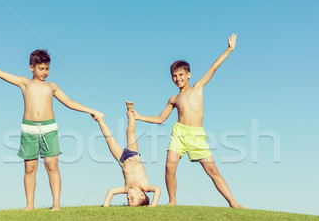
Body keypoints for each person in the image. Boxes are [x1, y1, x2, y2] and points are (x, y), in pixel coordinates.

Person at [0, 49, 100, 211]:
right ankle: (30, 205)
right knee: (30, 168)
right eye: (41, 69)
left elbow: (69, 102)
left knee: (52, 166)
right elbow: (1, 74)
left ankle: (56, 204)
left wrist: (91, 110)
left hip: (49, 129)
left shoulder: (52, 87)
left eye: (47, 68)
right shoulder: (24, 83)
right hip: (29, 129)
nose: (45, 72)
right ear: (31, 68)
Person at [133, 34, 245, 208]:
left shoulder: (198, 88)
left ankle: (233, 202)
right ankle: (172, 201)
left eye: (181, 75)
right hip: (178, 133)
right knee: (169, 167)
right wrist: (138, 116)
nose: (178, 79)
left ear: (189, 75)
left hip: (196, 135)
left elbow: (213, 67)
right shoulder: (173, 99)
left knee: (212, 170)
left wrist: (229, 49)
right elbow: (160, 118)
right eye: (174, 76)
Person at [94, 102, 161, 207]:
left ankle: (100, 119)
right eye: (132, 199)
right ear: (142, 196)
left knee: (109, 139)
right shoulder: (145, 187)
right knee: (130, 132)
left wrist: (106, 205)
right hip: (133, 155)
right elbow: (157, 189)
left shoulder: (126, 188)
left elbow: (111, 191)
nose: (129, 197)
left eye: (128, 199)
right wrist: (153, 204)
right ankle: (131, 112)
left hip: (122, 160)